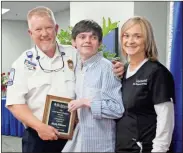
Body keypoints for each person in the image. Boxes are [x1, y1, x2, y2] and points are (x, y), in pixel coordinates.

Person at [5, 6, 124, 153]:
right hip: (39, 136)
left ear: (56, 28)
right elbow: (14, 104)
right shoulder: (22, 63)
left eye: (48, 28)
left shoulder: (73, 53)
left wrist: (118, 68)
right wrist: (40, 127)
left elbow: (96, 65)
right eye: (38, 29)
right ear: (30, 33)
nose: (44, 33)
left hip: (73, 135)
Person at [62, 20, 124, 152]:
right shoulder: (76, 68)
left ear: (100, 43)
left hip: (100, 146)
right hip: (78, 141)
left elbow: (117, 109)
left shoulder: (107, 68)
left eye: (93, 37)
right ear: (74, 42)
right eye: (82, 37)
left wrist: (86, 102)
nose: (87, 41)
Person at [115, 16, 175, 153]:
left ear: (147, 40)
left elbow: (166, 118)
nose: (130, 41)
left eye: (137, 36)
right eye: (126, 36)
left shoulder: (157, 73)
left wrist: (159, 150)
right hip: (122, 148)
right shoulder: (123, 71)